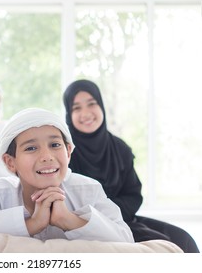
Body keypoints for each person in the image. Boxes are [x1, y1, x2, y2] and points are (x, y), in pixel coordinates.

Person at [63, 79, 199, 252]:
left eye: (91, 104)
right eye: (77, 108)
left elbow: (133, 194)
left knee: (183, 240)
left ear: (101, 106)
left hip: (124, 219)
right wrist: (100, 215)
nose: (86, 113)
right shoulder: (64, 152)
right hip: (87, 226)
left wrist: (111, 211)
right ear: (69, 113)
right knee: (160, 248)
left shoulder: (119, 148)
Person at [0, 108, 134, 242]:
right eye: (31, 148)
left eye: (55, 144)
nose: (47, 156)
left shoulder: (88, 190)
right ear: (10, 162)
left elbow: (125, 239)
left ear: (68, 151)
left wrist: (69, 220)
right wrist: (32, 224)